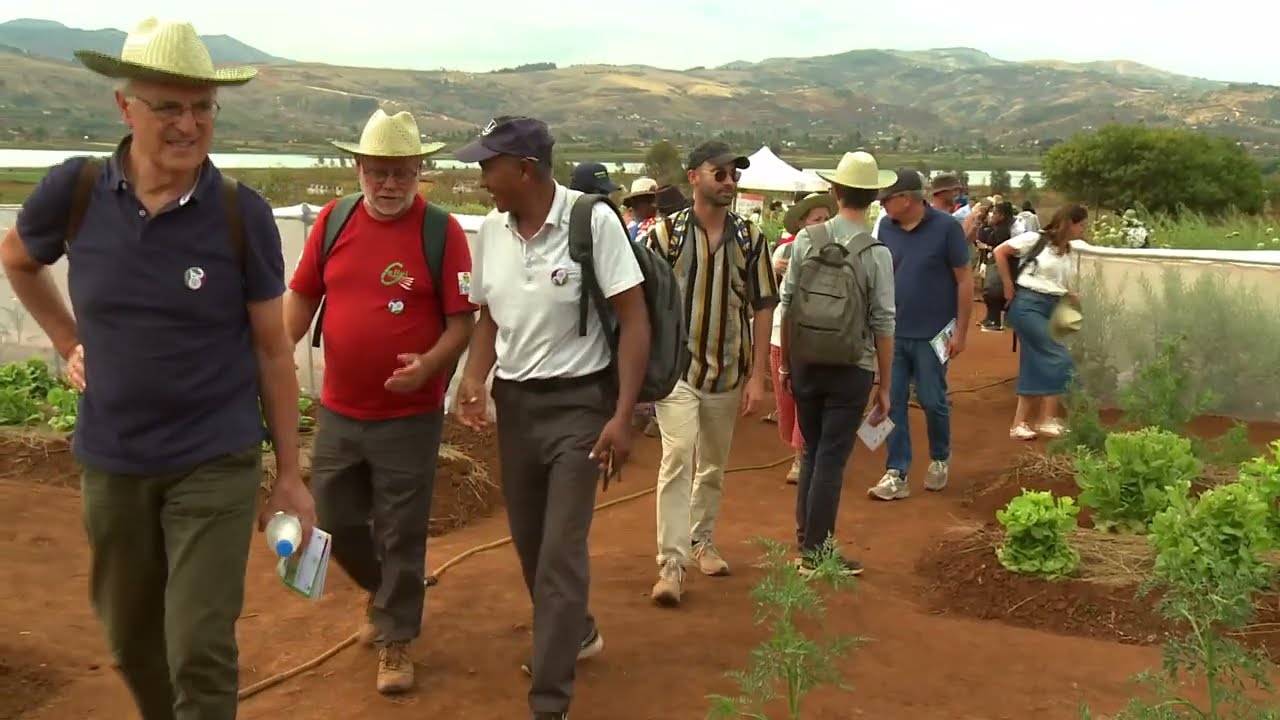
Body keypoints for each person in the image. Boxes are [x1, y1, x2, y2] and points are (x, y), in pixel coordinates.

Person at [0, 18, 315, 719]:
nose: (189, 124)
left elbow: (272, 349)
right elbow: (17, 258)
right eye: (168, 106)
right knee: (131, 639)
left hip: (215, 457)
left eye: (203, 107)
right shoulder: (76, 191)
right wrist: (66, 339)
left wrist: (291, 476)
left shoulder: (240, 214)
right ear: (126, 107)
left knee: (199, 643)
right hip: (114, 460)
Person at [452, 116, 650, 720]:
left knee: (561, 551)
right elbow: (489, 316)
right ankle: (578, 631)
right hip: (517, 408)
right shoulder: (492, 231)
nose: (481, 179)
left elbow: (635, 320)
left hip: (581, 408)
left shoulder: (592, 222)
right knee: (531, 546)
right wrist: (473, 377)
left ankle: (549, 700)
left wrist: (622, 415)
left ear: (525, 169)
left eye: (488, 167)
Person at [282, 109, 476, 694]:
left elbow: (462, 323)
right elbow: (302, 296)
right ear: (359, 169)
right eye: (377, 171)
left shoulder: (442, 232)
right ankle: (385, 590)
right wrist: (272, 355)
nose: (389, 184)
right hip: (339, 410)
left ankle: (396, 638)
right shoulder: (334, 221)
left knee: (401, 529)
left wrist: (429, 366)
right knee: (333, 518)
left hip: (409, 418)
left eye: (401, 172)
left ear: (419, 171)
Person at [640, 141, 777, 606]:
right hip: (677, 371)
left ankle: (701, 540)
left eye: (734, 174)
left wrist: (757, 376)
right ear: (693, 176)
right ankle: (671, 562)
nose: (729, 181)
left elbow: (763, 305)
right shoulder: (664, 236)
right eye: (719, 173)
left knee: (714, 464)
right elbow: (640, 302)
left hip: (728, 370)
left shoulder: (751, 238)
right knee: (678, 456)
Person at [780, 152, 896, 574]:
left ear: (834, 191)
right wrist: (885, 384)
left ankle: (806, 541)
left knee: (813, 452)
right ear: (875, 197)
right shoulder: (876, 253)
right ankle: (816, 552)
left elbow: (788, 304)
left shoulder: (806, 240)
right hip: (852, 365)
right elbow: (884, 321)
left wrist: (787, 365)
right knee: (831, 458)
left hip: (806, 361)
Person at [868, 169, 972, 501]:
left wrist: (961, 332)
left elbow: (964, 279)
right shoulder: (886, 227)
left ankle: (940, 457)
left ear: (906, 199)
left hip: (934, 333)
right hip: (893, 332)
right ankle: (896, 471)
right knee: (892, 400)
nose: (882, 205)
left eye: (887, 199)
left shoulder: (947, 228)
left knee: (932, 398)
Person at [995, 204, 1089, 440]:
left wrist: (1069, 294)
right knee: (1058, 356)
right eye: (1081, 224)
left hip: (1050, 307)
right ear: (1069, 223)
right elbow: (1000, 251)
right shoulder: (1036, 239)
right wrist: (1008, 285)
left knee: (1034, 363)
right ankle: (1047, 418)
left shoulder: (1067, 250)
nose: (1083, 229)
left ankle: (1020, 424)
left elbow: (1052, 281)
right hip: (1027, 305)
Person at [770, 192, 837, 484]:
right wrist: (775, 270)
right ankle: (800, 449)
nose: (822, 223)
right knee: (785, 401)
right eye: (815, 219)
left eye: (826, 218)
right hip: (781, 334)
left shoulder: (837, 253)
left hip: (815, 337)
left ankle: (801, 457)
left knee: (806, 398)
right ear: (801, 223)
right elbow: (769, 292)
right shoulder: (783, 252)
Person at [979, 201, 1016, 332]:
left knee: (994, 291)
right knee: (990, 290)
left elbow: (994, 244)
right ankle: (991, 318)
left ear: (1002, 216)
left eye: (995, 213)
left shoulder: (1006, 229)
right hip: (993, 260)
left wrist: (987, 246)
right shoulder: (997, 227)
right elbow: (982, 237)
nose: (992, 215)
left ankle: (996, 321)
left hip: (1002, 263)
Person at [623, 176, 659, 241]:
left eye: (635, 203)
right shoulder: (630, 229)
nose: (632, 208)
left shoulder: (658, 229)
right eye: (632, 203)